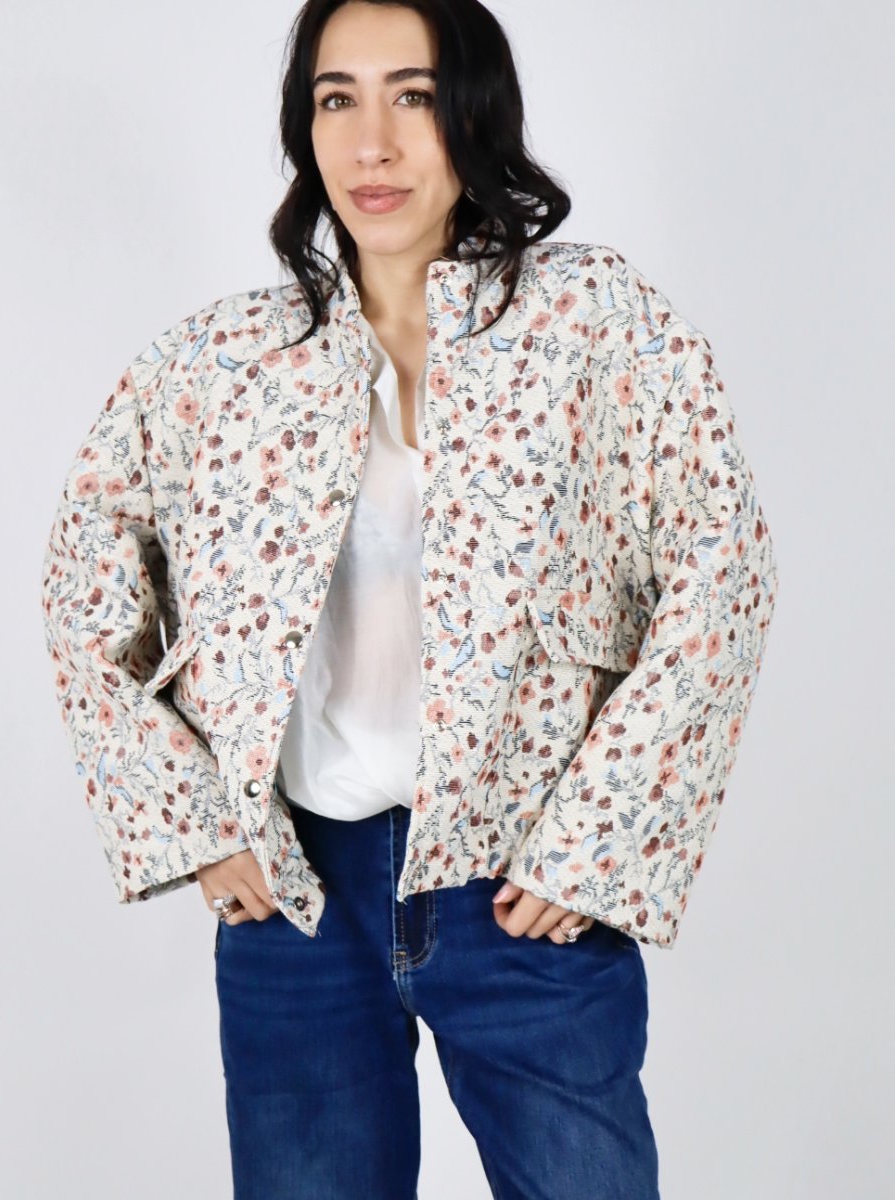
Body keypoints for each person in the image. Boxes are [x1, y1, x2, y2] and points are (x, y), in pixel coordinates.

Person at [39, 1, 780, 1197]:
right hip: (299, 909)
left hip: (524, 893)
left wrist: (593, 847)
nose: (371, 142)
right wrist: (196, 822)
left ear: (475, 112)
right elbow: (84, 582)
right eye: (337, 98)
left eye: (415, 95)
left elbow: (722, 571)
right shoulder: (218, 366)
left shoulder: (598, 327)